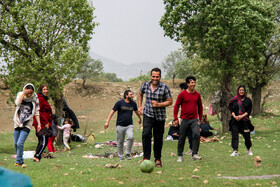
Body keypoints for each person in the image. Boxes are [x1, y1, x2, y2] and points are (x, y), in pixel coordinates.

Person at [138, 67, 173, 167]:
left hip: (160, 117)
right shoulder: (145, 85)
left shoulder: (164, 87)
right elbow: (140, 94)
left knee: (158, 138)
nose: (155, 78)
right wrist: (140, 106)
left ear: (160, 77)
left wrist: (159, 104)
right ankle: (146, 158)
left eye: (157, 77)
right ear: (150, 76)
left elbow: (170, 101)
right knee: (146, 134)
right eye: (153, 76)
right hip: (148, 114)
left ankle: (158, 159)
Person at [104, 90, 141, 161]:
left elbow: (136, 112)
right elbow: (112, 112)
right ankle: (121, 157)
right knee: (120, 142)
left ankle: (127, 153)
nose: (132, 96)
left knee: (131, 137)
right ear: (126, 96)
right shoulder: (119, 103)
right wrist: (107, 122)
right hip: (120, 125)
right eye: (131, 94)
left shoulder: (133, 103)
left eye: (132, 94)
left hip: (129, 125)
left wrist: (139, 118)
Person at [174, 76, 203, 162]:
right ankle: (180, 155)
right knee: (182, 137)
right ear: (187, 84)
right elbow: (176, 106)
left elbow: (200, 107)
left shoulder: (197, 94)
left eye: (194, 82)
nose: (193, 84)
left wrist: (200, 118)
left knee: (197, 134)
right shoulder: (182, 94)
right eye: (191, 82)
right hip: (184, 119)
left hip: (194, 119)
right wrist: (176, 118)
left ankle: (194, 154)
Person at [13, 83, 40, 166]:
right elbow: (17, 103)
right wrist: (24, 93)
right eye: (28, 93)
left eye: (30, 93)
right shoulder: (20, 95)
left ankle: (18, 161)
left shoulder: (35, 98)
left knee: (19, 143)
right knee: (16, 143)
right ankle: (20, 160)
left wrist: (39, 124)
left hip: (27, 124)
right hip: (17, 122)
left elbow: (37, 111)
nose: (29, 95)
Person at [229, 85, 253, 156]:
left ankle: (249, 149)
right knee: (235, 135)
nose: (241, 91)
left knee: (247, 136)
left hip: (244, 121)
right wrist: (235, 116)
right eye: (240, 90)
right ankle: (235, 151)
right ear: (238, 91)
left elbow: (249, 111)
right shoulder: (234, 100)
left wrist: (241, 116)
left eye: (243, 90)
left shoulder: (248, 100)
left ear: (244, 91)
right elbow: (231, 109)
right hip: (235, 120)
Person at [33, 84, 54, 162]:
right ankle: (37, 156)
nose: (45, 91)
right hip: (42, 123)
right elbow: (39, 111)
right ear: (41, 90)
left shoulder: (44, 99)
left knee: (42, 140)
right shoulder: (40, 99)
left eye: (46, 89)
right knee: (44, 141)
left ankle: (37, 156)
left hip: (45, 122)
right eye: (44, 89)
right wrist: (45, 122)